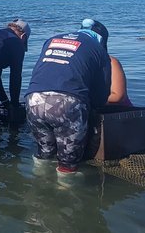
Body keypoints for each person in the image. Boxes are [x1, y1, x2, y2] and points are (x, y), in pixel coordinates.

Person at [24, 18, 111, 177]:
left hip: (33, 99)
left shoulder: (52, 39)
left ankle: (38, 184)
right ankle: (65, 193)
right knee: (68, 163)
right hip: (67, 103)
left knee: (45, 152)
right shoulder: (99, 50)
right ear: (101, 39)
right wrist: (93, 111)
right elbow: (102, 93)